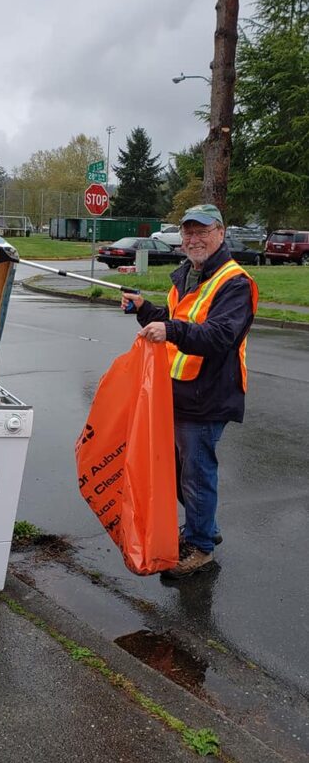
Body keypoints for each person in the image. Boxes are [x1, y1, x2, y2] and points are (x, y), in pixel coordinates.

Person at [121, 204, 258, 579]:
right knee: (182, 473)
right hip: (178, 393)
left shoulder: (234, 282)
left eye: (202, 231)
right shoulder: (186, 275)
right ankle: (204, 527)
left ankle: (200, 548)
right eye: (188, 232)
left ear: (220, 232)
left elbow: (219, 336)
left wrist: (172, 331)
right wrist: (145, 309)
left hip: (210, 397)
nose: (194, 239)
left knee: (196, 474)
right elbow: (175, 323)